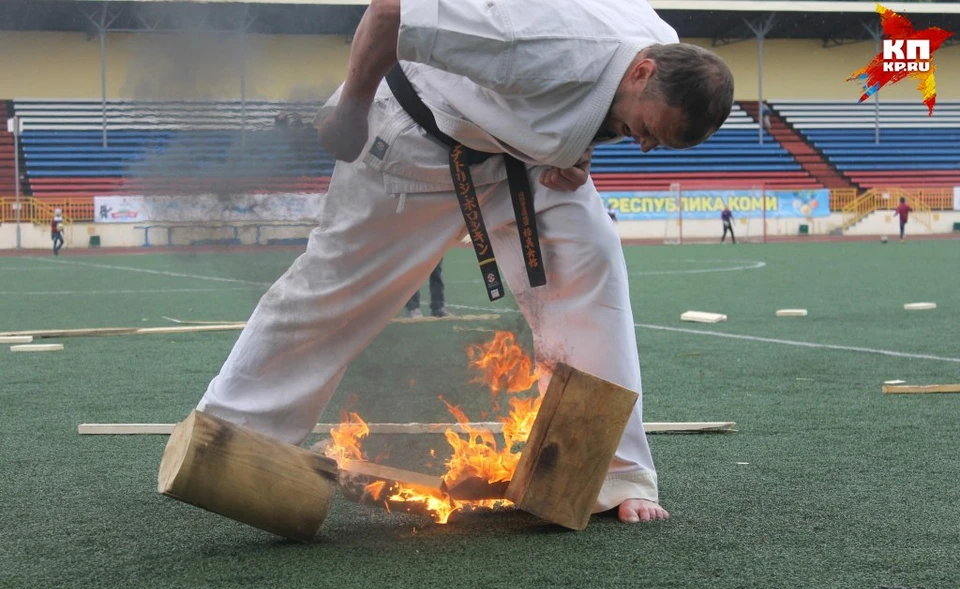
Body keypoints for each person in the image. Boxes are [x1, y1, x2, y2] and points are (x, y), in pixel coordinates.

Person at [197, 0, 734, 524]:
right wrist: (351, 112)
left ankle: (605, 472)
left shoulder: (653, 47)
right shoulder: (537, 41)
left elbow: (591, 102)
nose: (642, 145)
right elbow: (389, 14)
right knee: (336, 290)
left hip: (516, 163)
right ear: (642, 72)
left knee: (591, 262)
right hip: (413, 145)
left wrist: (575, 148)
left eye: (656, 143)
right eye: (647, 129)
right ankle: (229, 437)